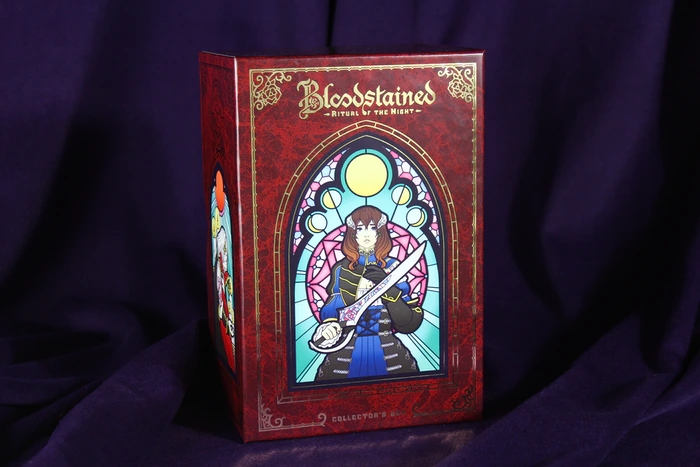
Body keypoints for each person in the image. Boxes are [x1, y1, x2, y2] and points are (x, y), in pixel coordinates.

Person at [313, 205, 423, 381]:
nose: (366, 234)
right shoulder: (341, 269)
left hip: (389, 351)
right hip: (346, 351)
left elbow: (407, 323)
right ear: (352, 234)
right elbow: (332, 309)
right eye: (360, 228)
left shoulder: (394, 267)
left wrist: (387, 287)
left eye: (372, 228)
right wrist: (330, 327)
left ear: (380, 233)